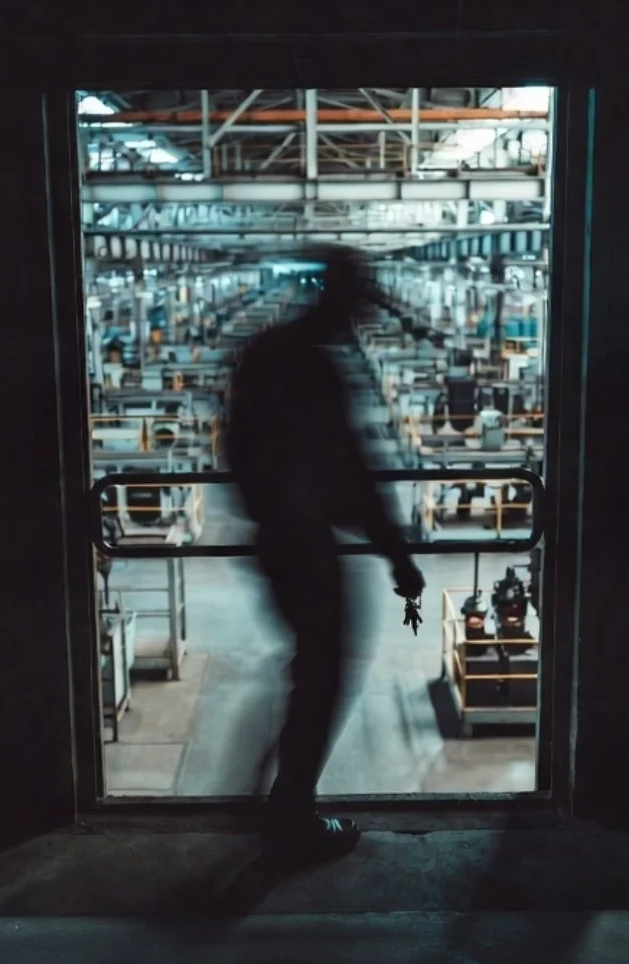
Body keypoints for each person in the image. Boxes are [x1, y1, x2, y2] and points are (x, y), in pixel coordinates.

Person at [225, 246, 425, 863]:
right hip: (303, 539)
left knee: (311, 669)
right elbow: (352, 471)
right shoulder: (314, 368)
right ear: (340, 300)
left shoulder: (264, 352)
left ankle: (272, 798)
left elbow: (237, 445)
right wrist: (396, 554)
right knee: (323, 673)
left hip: (274, 535)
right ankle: (290, 818)